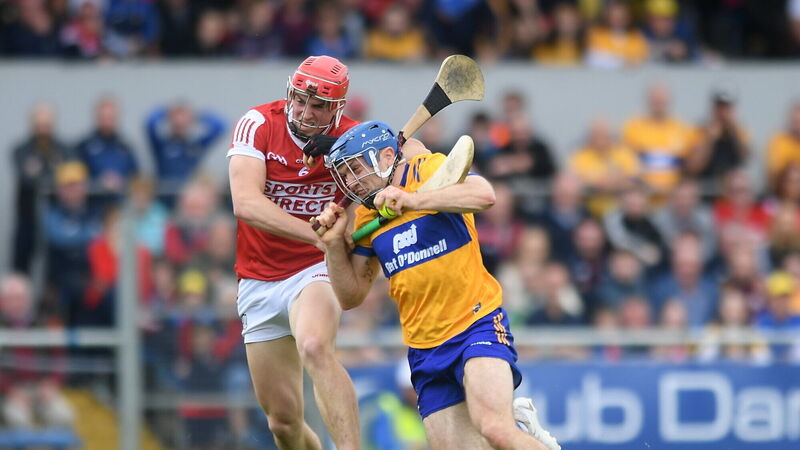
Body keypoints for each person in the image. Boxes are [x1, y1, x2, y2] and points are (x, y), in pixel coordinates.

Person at [313, 120, 560, 450]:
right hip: (425, 350)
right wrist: (333, 247)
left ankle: (516, 428)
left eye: (355, 170)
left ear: (386, 157)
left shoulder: (428, 169)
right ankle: (525, 431)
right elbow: (350, 296)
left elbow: (484, 195)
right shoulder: (368, 216)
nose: (350, 182)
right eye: (344, 176)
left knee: (494, 428)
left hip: (475, 324)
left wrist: (413, 200)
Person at [226, 55, 361, 450]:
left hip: (314, 269)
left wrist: (349, 156)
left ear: (337, 108)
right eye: (299, 99)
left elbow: (397, 162)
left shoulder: (352, 138)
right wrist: (316, 235)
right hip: (259, 277)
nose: (304, 111)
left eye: (318, 105)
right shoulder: (258, 124)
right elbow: (245, 203)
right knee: (283, 423)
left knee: (315, 347)